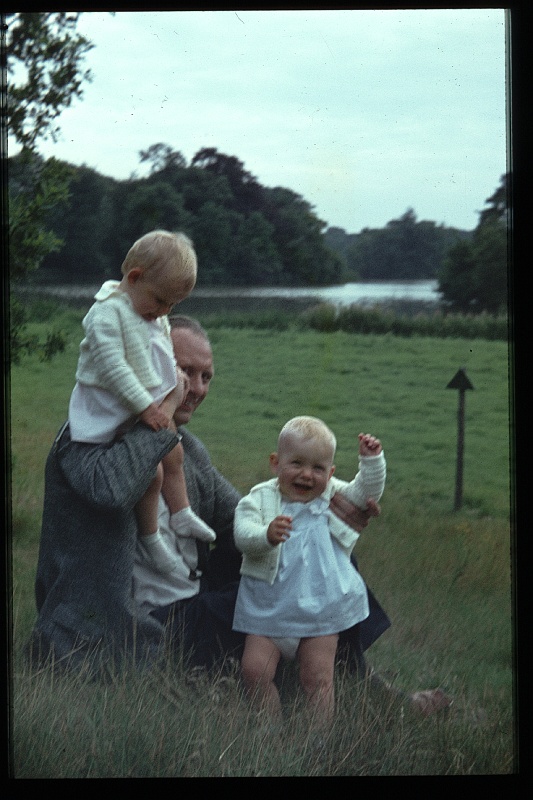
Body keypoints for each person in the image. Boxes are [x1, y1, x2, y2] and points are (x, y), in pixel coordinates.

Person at [28, 315, 450, 716]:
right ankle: (324, 681)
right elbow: (112, 490)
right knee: (288, 584)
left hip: (191, 600)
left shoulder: (188, 450)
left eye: (205, 376)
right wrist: (160, 418)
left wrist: (325, 514)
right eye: (182, 372)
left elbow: (239, 519)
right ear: (146, 362)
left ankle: (364, 685)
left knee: (319, 558)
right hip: (134, 621)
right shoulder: (86, 442)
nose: (195, 388)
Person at [67, 230, 216, 579]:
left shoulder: (146, 309)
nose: (164, 312)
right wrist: (150, 407)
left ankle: (181, 513)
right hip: (112, 409)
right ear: (134, 277)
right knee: (152, 472)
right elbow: (113, 367)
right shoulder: (106, 313)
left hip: (142, 406)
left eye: (173, 306)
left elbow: (156, 349)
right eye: (161, 301)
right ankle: (151, 537)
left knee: (174, 453)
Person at [232, 417, 386, 728]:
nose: (306, 474)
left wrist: (372, 462)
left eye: (318, 468)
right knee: (254, 671)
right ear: (276, 463)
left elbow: (365, 493)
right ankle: (269, 735)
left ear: (330, 474)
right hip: (268, 609)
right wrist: (265, 534)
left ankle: (315, 744)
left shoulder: (330, 495)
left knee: (317, 680)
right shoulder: (260, 498)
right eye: (297, 464)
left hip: (320, 607)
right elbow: (242, 532)